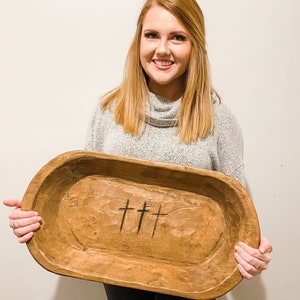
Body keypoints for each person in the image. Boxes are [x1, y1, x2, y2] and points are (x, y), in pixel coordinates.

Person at [3, 0, 272, 299]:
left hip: (194, 282)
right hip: (118, 280)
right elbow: (82, 201)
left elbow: (238, 217)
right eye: (152, 35)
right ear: (139, 40)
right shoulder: (108, 112)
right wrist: (37, 215)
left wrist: (253, 254)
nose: (162, 49)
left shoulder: (220, 121)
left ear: (195, 45)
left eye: (178, 37)